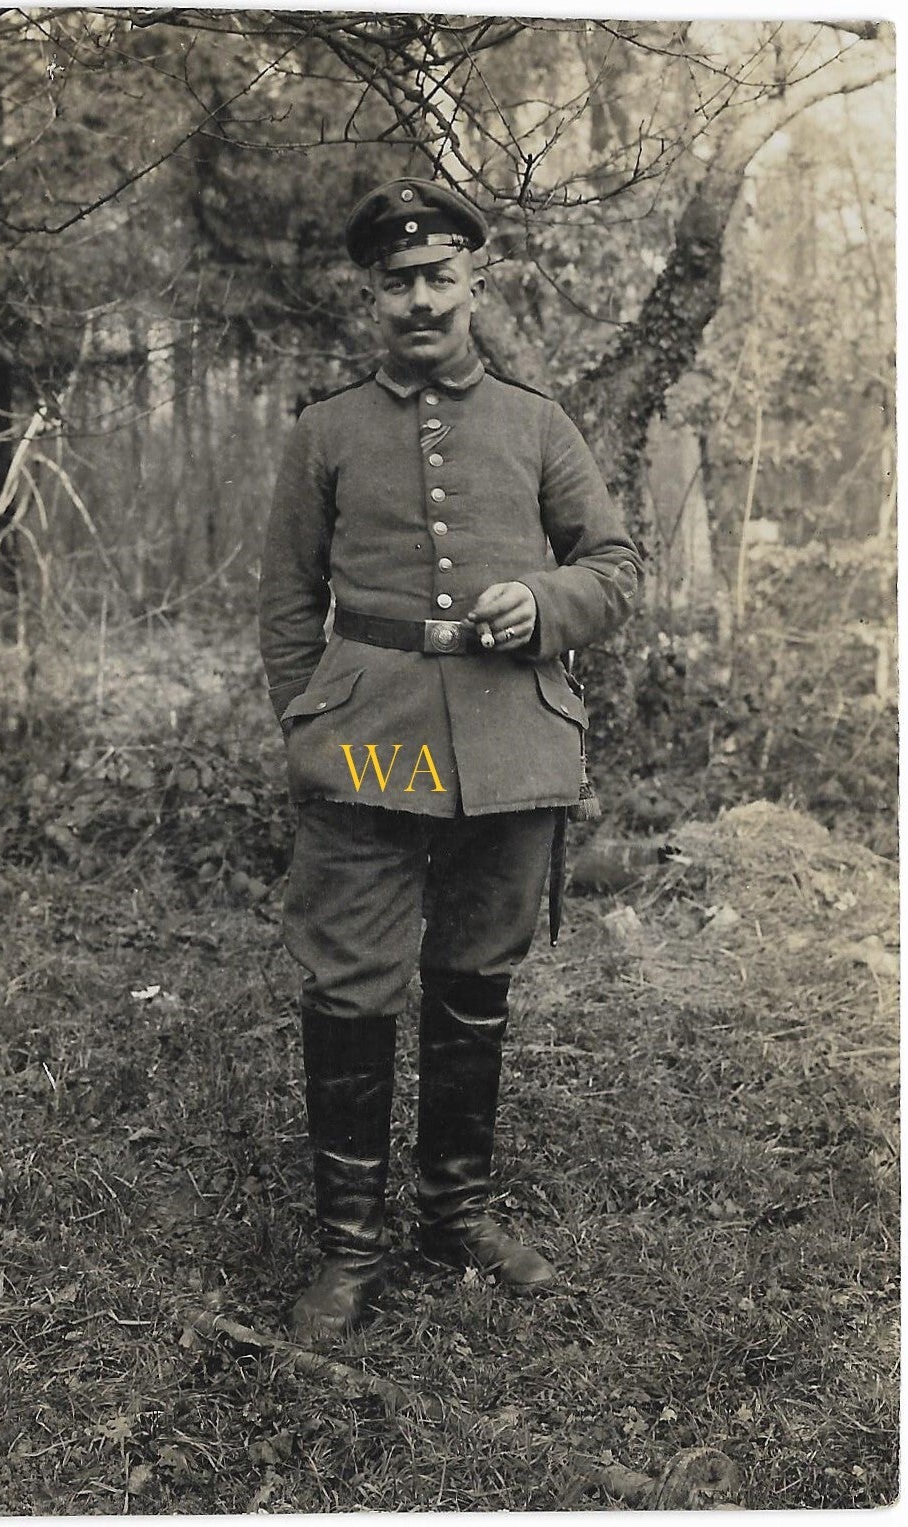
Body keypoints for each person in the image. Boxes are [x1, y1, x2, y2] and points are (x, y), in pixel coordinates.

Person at [259, 177, 642, 1346]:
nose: (419, 300)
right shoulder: (326, 432)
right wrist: (309, 726)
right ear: (371, 293)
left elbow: (617, 566)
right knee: (351, 982)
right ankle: (351, 1248)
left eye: (439, 278)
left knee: (475, 978)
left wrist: (546, 597)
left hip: (509, 742)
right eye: (396, 282)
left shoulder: (536, 425)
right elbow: (286, 605)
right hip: (364, 743)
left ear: (476, 283)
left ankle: (452, 1211)